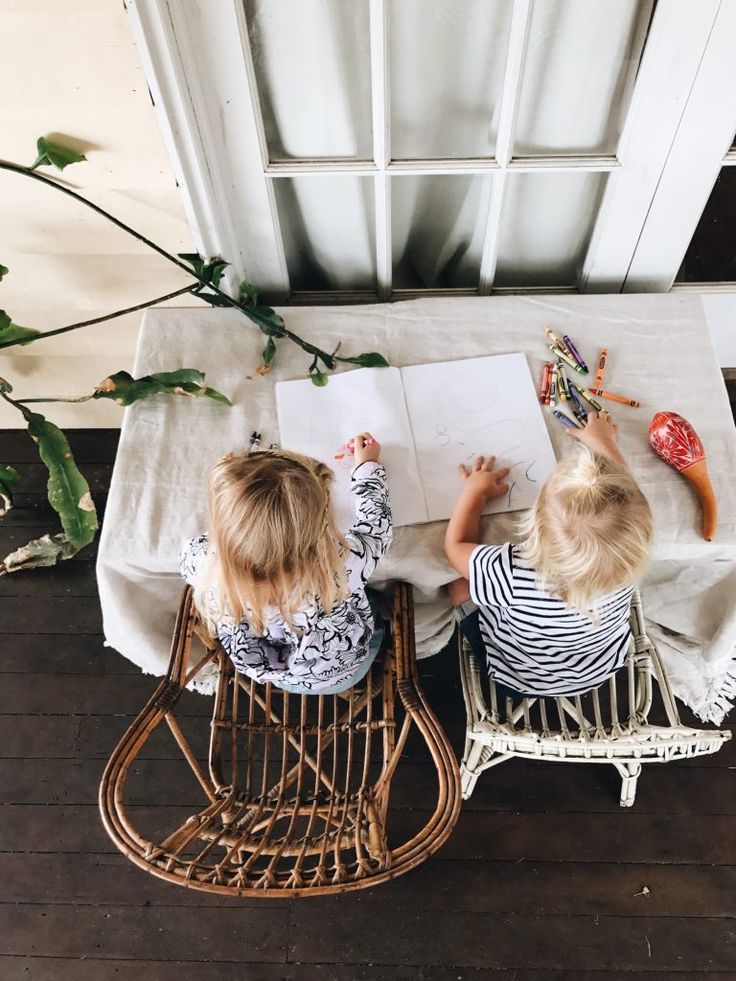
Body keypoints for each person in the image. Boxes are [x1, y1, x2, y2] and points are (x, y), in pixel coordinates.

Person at [444, 412, 654, 697]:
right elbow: (625, 499)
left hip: (517, 677)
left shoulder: (509, 572)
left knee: (457, 584)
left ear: (534, 528)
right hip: (602, 667)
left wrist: (475, 493)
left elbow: (455, 547)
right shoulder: (632, 553)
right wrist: (603, 441)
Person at [180, 432, 392, 694]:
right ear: (318, 523)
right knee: (377, 610)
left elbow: (190, 553)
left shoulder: (207, 568)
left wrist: (236, 504)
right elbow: (377, 528)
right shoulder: (341, 566)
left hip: (280, 677)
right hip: (347, 671)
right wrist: (367, 468)